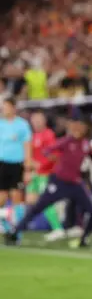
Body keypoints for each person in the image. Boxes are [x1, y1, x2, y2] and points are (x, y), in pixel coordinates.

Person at [4, 115, 92, 247]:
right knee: (37, 207)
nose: (78, 130)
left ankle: (83, 240)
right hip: (58, 182)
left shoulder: (85, 144)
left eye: (81, 128)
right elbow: (47, 151)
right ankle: (15, 232)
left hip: (75, 183)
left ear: (85, 129)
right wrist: (53, 158)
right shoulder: (66, 141)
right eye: (75, 127)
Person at [25, 111, 65, 241]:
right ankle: (22, 225)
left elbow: (54, 155)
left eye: (38, 119)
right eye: (34, 120)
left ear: (44, 121)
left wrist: (40, 165)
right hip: (36, 174)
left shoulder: (49, 135)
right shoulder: (34, 135)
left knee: (45, 202)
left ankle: (58, 228)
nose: (36, 122)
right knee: (30, 200)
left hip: (46, 174)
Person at [0, 98, 32, 239]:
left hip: (17, 165)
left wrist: (27, 169)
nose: (4, 109)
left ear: (13, 108)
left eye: (6, 107)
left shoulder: (22, 125)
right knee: (1, 198)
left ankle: (17, 233)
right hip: (2, 164)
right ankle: (6, 226)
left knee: (16, 198)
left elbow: (27, 146)